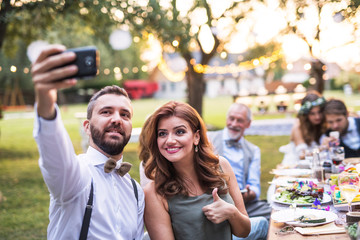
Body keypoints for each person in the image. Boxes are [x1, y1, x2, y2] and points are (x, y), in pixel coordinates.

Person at [31, 44, 144, 239]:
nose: (117, 119)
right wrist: (46, 104)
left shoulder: (136, 191)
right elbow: (55, 155)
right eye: (106, 112)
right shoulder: (76, 174)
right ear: (86, 127)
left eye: (124, 114)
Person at [142, 101, 251, 240]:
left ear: (196, 137)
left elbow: (244, 231)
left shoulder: (221, 165)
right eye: (162, 134)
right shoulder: (153, 193)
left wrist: (232, 212)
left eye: (179, 132)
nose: (169, 140)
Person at [207, 102, 269, 240]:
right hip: (212, 198)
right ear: (226, 119)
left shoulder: (253, 150)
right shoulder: (207, 139)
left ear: (248, 124)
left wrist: (250, 193)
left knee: (275, 215)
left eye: (239, 120)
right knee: (263, 224)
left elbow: (255, 186)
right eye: (231, 118)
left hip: (244, 201)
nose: (234, 124)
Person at [289, 91, 327, 159]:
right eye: (312, 114)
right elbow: (302, 155)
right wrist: (323, 147)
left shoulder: (324, 124)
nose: (317, 117)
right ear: (305, 115)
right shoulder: (298, 127)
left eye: (319, 112)